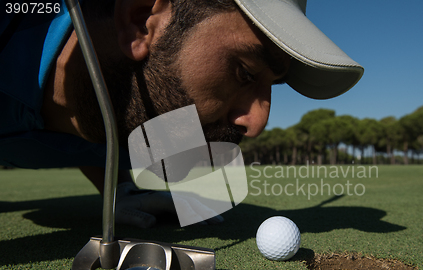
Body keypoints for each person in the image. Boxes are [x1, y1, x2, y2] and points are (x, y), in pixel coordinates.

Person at [0, 0, 363, 228]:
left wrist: (118, 190)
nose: (256, 124)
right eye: (245, 73)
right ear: (141, 20)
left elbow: (98, 126)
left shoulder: (143, 118)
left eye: (272, 86)